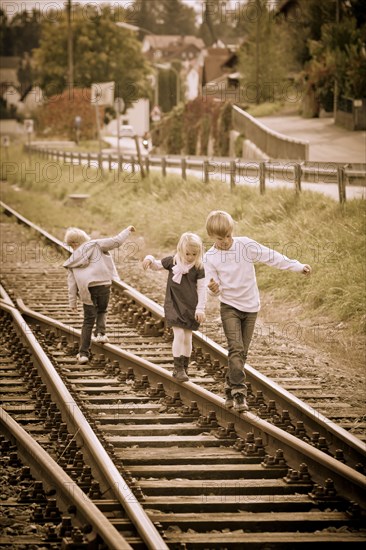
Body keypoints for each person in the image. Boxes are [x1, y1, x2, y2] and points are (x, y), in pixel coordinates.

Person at [204, 210, 311, 412]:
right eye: (220, 238)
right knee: (236, 348)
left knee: (242, 352)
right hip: (229, 307)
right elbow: (212, 285)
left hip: (251, 307)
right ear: (211, 237)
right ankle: (239, 393)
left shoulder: (244, 245)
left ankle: (228, 387)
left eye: (228, 236)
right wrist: (213, 289)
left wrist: (297, 266)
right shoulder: (210, 257)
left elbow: (271, 256)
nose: (226, 241)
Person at [63, 225, 135, 364]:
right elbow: (116, 241)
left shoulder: (72, 260)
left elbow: (71, 284)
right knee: (102, 310)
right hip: (103, 284)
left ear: (73, 244)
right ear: (83, 239)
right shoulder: (95, 244)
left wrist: (72, 302)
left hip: (86, 290)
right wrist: (127, 230)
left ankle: (83, 353)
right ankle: (101, 334)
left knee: (88, 321)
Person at [142, 232, 206, 382]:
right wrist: (149, 258)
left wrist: (200, 308)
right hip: (173, 303)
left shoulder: (199, 267)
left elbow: (202, 289)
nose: (190, 257)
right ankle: (178, 368)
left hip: (190, 306)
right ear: (180, 250)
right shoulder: (172, 262)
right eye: (187, 253)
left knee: (188, 337)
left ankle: (185, 366)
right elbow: (156, 265)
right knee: (179, 334)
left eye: (194, 254)